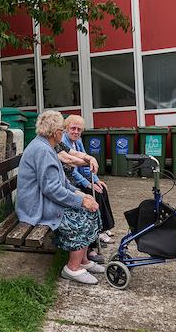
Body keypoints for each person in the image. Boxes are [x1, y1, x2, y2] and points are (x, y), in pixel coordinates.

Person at [16, 110, 105, 284]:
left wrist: (79, 193)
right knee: (82, 217)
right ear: (55, 132)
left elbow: (61, 182)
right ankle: (72, 269)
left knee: (91, 209)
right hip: (36, 206)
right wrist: (81, 201)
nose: (63, 133)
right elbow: (52, 189)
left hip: (43, 198)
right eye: (62, 130)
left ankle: (84, 261)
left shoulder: (47, 146)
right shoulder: (42, 150)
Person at [61, 115, 115, 248]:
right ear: (66, 128)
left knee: (101, 188)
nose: (76, 132)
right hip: (71, 181)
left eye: (79, 129)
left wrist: (96, 180)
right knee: (93, 193)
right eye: (73, 128)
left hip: (79, 178)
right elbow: (71, 170)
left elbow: (86, 164)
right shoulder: (63, 142)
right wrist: (88, 184)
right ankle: (99, 231)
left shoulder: (78, 141)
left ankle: (105, 226)